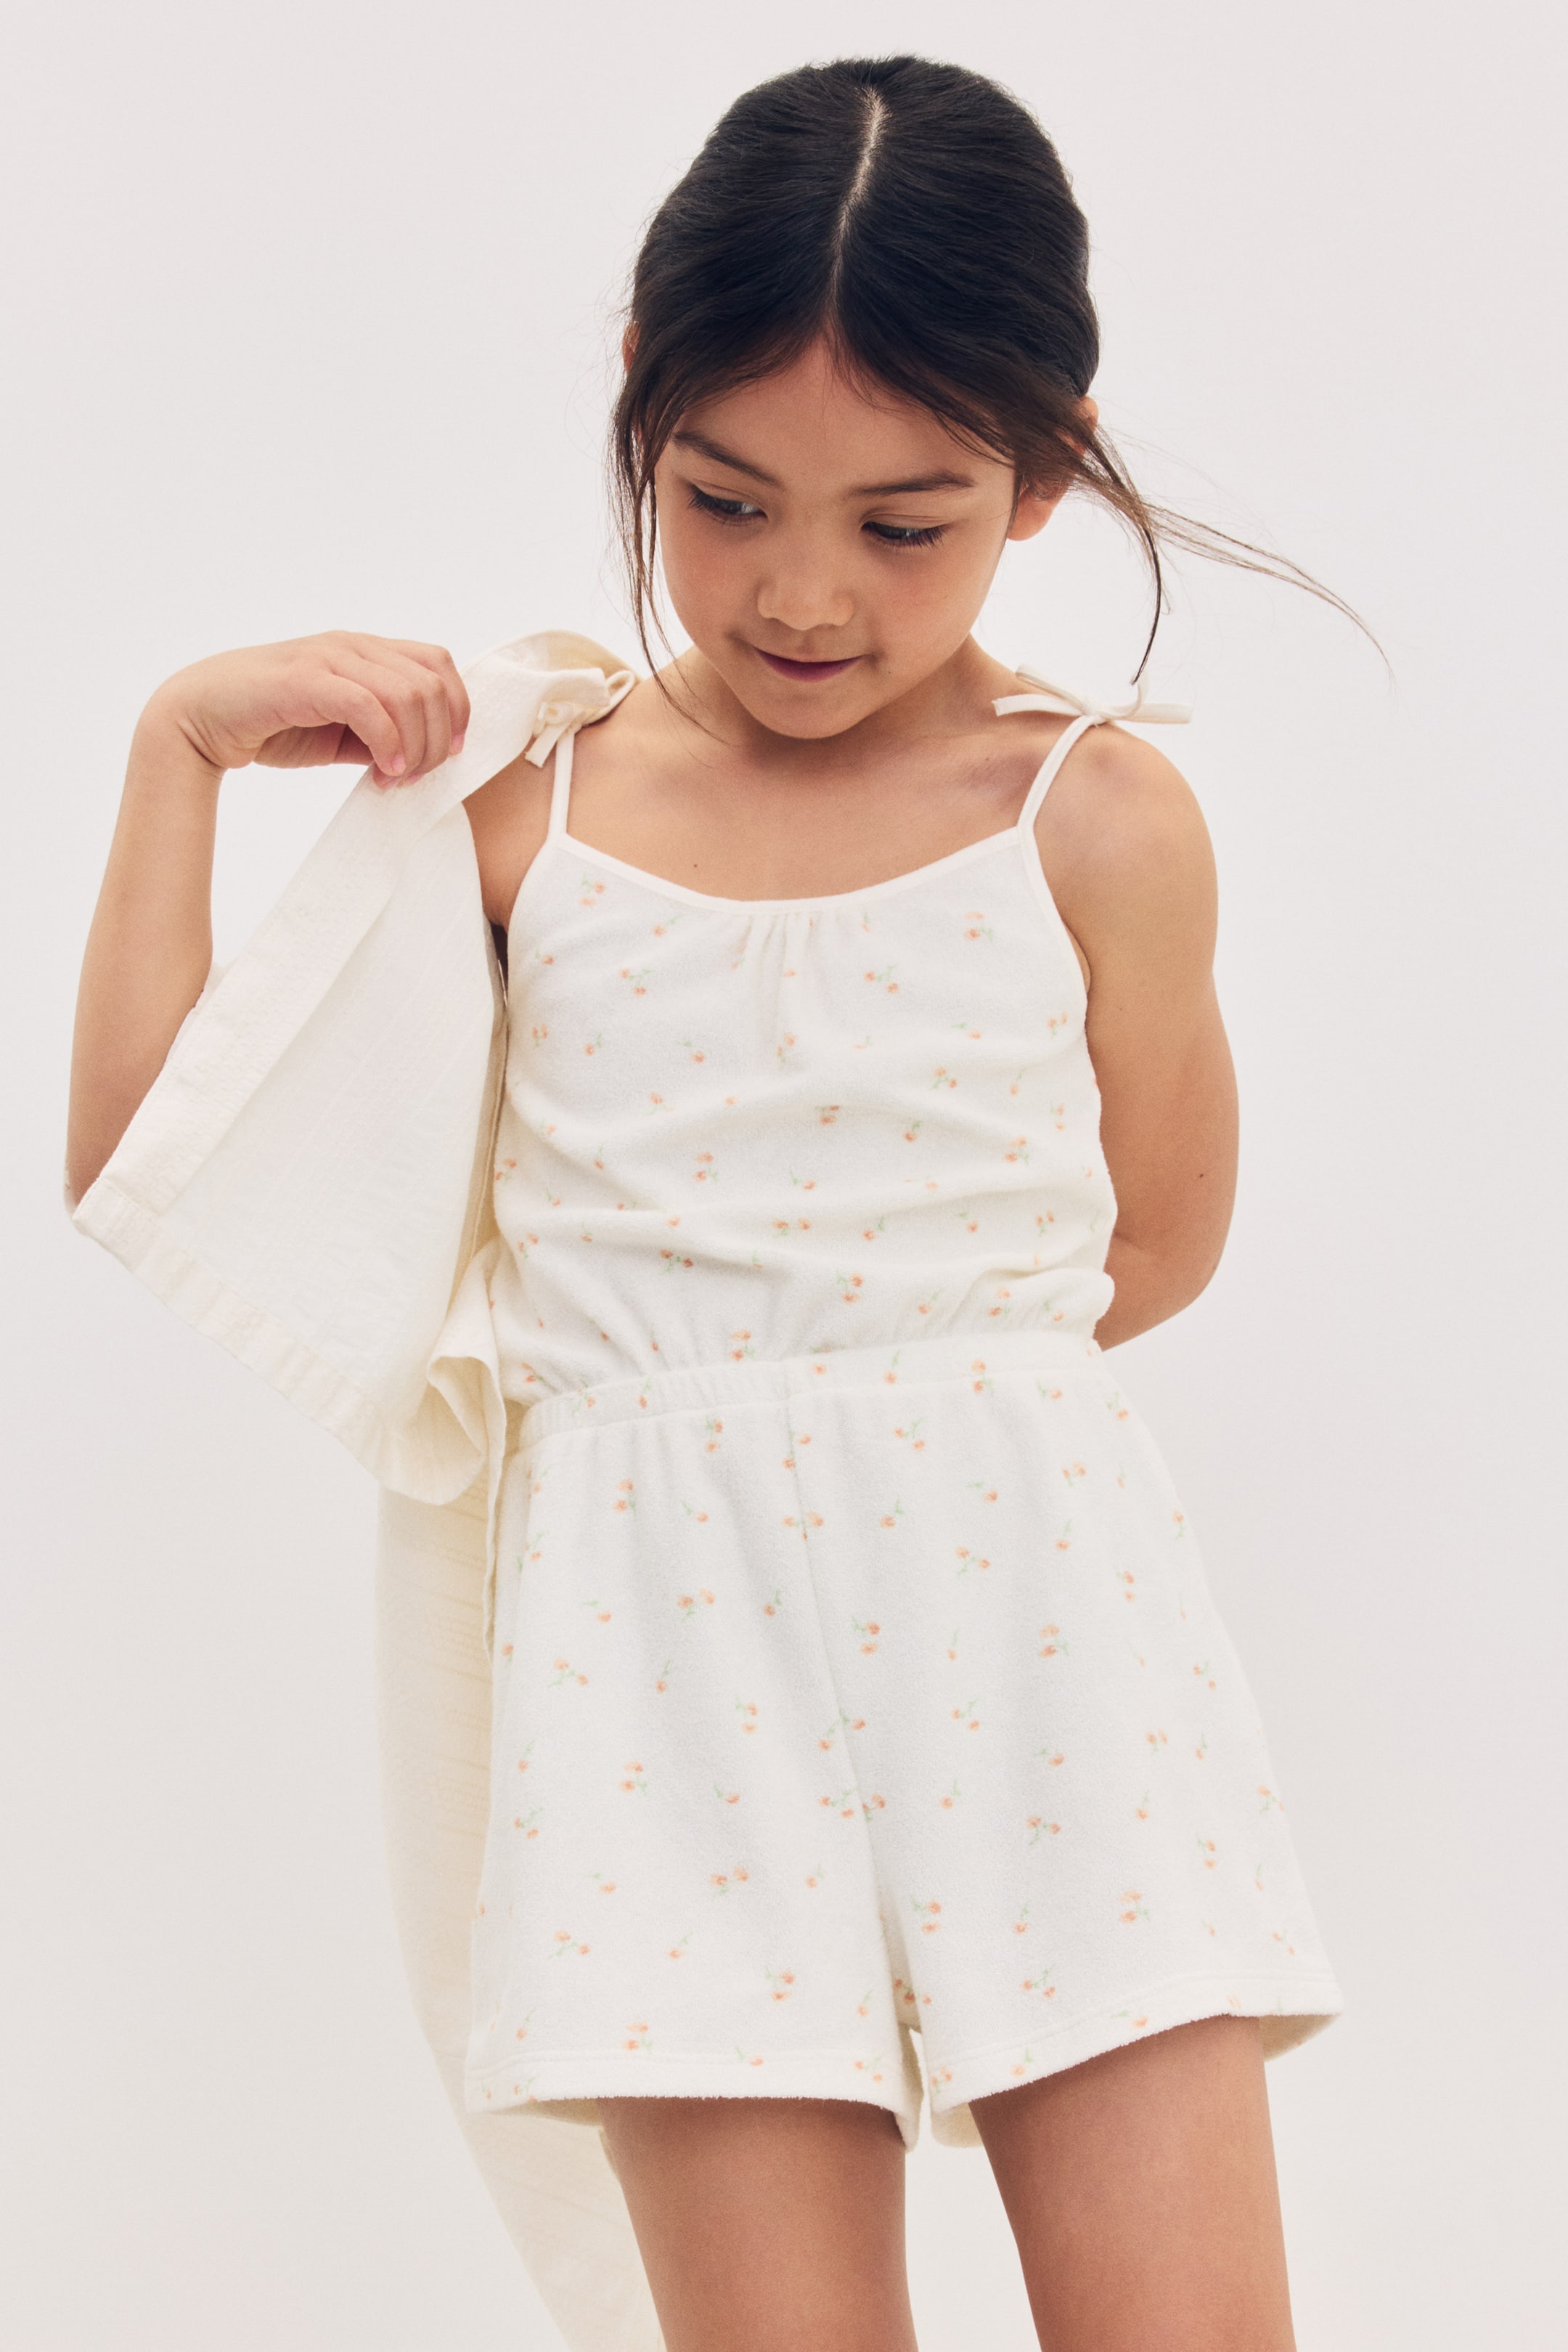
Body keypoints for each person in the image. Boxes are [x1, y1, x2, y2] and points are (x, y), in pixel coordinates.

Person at [67, 54, 1348, 2352]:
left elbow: (1149, 1244)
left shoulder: (1095, 820)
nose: (804, 592)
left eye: (907, 523)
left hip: (1051, 1648)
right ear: (641, 406)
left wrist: (897, 1407)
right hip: (655, 1686)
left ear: (1046, 471)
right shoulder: (524, 815)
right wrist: (178, 752)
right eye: (725, 500)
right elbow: (163, 1166)